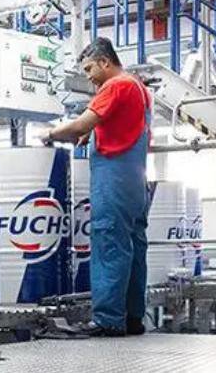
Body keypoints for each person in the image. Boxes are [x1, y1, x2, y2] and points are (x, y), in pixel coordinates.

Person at [38, 37, 151, 337]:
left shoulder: (115, 86)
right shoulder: (139, 87)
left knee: (109, 244)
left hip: (114, 178)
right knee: (134, 247)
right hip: (135, 180)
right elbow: (122, 123)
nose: (88, 76)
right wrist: (95, 132)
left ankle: (108, 320)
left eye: (89, 69)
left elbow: (78, 125)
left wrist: (50, 134)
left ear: (105, 62)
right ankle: (133, 318)